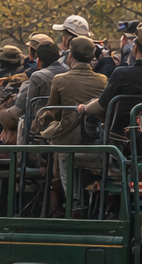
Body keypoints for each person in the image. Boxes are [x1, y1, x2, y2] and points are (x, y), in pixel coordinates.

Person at [35, 36, 108, 216]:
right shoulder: (103, 80)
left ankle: (73, 203)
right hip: (95, 140)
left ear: (70, 56)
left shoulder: (60, 79)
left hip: (69, 140)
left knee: (62, 154)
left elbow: (52, 112)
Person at [79, 24, 142, 140]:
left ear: (135, 48)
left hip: (120, 138)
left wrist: (84, 108)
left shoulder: (122, 73)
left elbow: (101, 105)